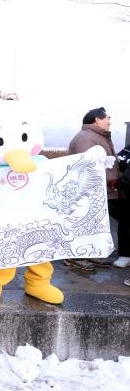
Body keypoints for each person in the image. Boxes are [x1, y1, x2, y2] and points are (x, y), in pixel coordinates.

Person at [66, 107, 124, 270]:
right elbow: (89, 168)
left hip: (101, 189)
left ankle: (89, 254)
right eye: (107, 118)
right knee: (83, 223)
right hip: (89, 192)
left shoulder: (97, 136)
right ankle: (75, 257)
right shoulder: (86, 139)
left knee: (93, 224)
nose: (110, 121)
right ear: (97, 120)